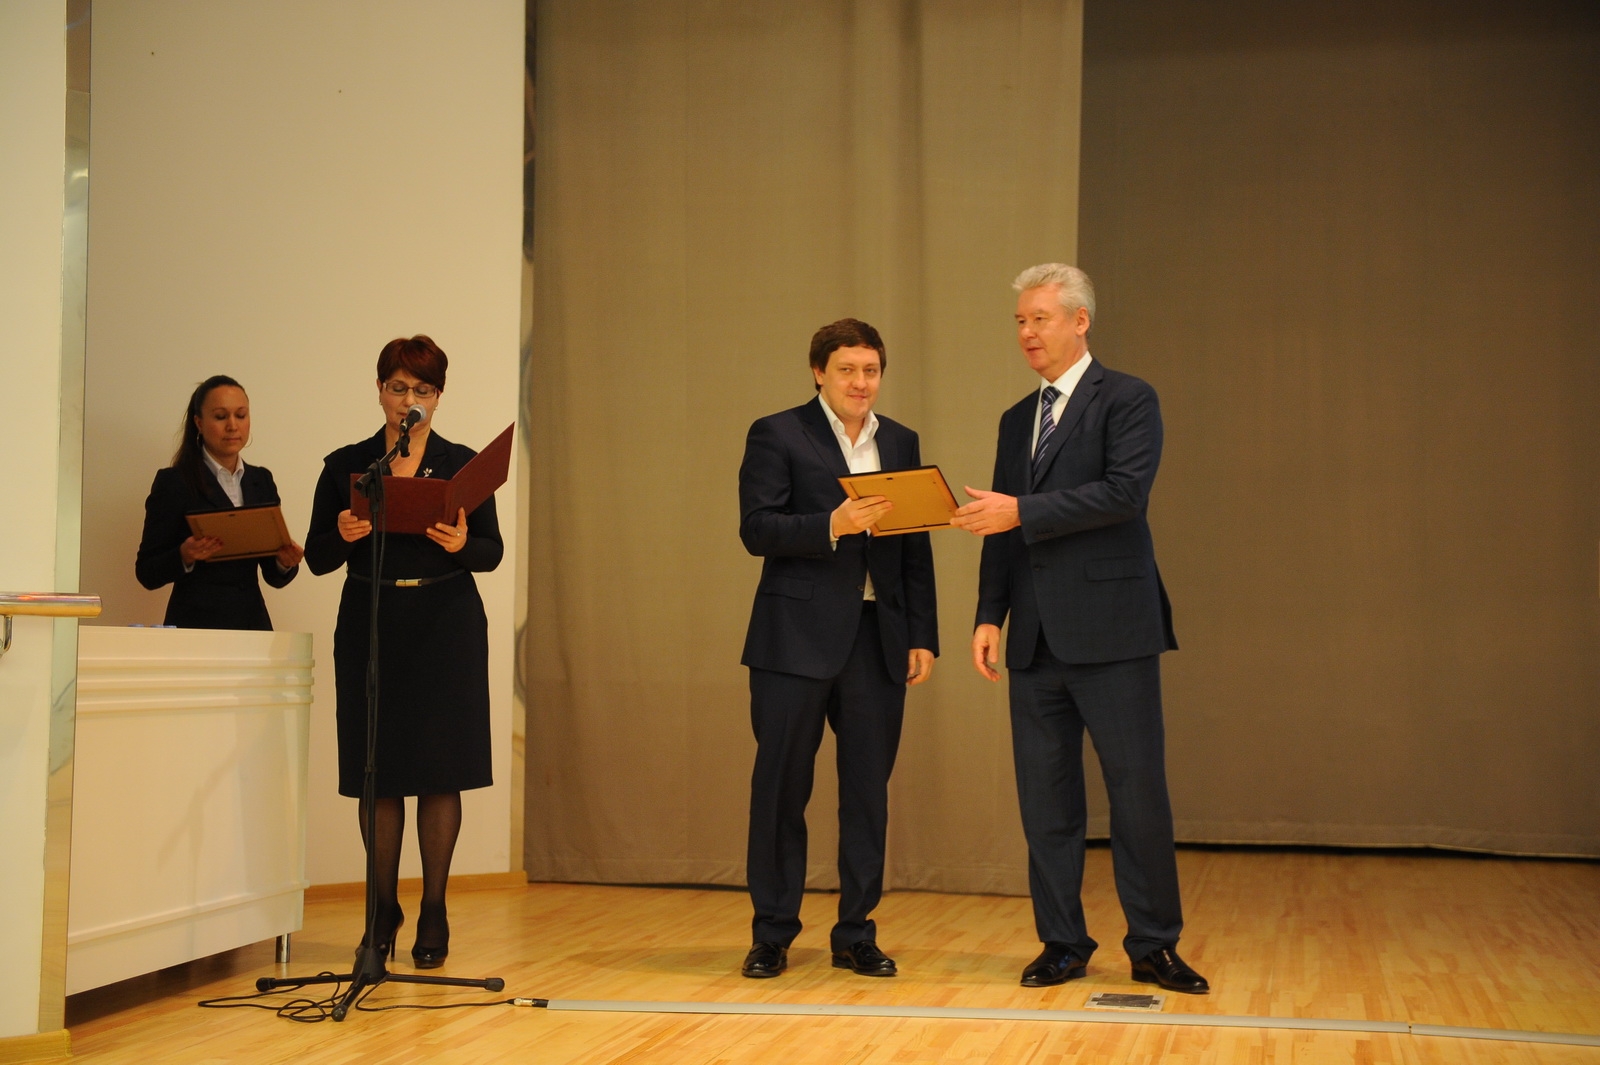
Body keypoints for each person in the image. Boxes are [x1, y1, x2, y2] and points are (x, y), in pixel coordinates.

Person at [950, 264, 1208, 994]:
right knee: (1046, 803)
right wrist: (988, 614)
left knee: (1137, 795)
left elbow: (1124, 494)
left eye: (1040, 319)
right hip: (1033, 639)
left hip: (1114, 634)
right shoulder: (1015, 419)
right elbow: (998, 527)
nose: (1027, 333)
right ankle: (1062, 941)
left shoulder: (1127, 398)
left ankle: (1154, 944)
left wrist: (1021, 511)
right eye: (1020, 322)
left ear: (1080, 321)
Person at [737, 318, 939, 980]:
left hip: (878, 639)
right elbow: (756, 528)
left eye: (871, 371)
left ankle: (856, 932)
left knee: (867, 795)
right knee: (780, 790)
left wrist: (922, 634)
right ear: (819, 372)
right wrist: (832, 523)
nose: (860, 382)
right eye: (847, 370)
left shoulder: (900, 440)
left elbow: (914, 542)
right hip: (793, 640)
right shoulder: (777, 433)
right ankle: (772, 934)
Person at [303, 335, 501, 970]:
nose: (408, 399)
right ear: (380, 391)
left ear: (437, 397)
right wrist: (342, 532)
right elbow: (315, 557)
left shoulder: (462, 465)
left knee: (441, 770)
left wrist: (461, 544)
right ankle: (381, 909)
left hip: (446, 626)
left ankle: (434, 907)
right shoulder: (348, 465)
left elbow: (491, 552)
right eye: (397, 387)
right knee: (378, 769)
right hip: (372, 622)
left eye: (421, 389)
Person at [135, 375, 303, 629]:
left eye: (241, 415)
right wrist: (185, 555)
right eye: (221, 416)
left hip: (252, 625)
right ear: (199, 423)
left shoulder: (261, 480)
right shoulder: (175, 481)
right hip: (195, 626)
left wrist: (284, 562)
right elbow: (147, 572)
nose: (233, 426)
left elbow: (273, 574)